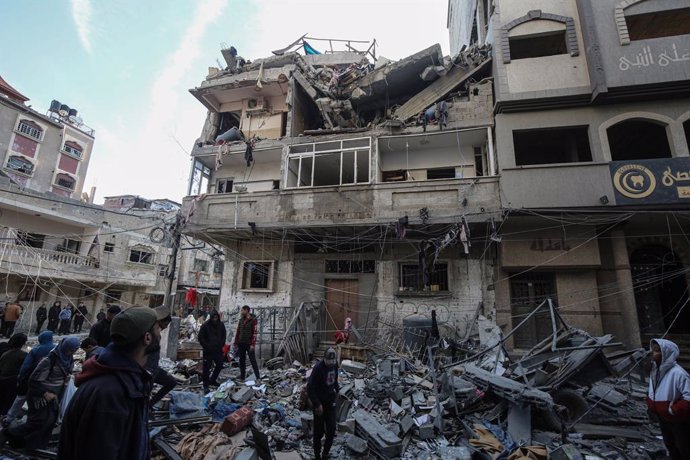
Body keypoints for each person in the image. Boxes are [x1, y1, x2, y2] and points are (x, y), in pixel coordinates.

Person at [57, 306, 161, 460]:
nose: (160, 333)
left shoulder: (123, 381)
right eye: (158, 328)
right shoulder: (111, 393)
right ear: (147, 337)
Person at [0, 336, 79, 450]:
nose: (72, 352)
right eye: (71, 349)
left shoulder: (68, 359)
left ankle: (35, 446)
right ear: (65, 347)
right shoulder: (49, 360)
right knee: (37, 422)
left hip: (54, 396)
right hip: (39, 396)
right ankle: (8, 433)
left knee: (49, 422)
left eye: (74, 350)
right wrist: (44, 393)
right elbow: (33, 380)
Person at [646, 338, 690, 460]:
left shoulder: (678, 373)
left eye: (656, 350)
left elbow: (688, 397)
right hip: (663, 418)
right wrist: (651, 405)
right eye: (652, 350)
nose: (651, 353)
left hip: (678, 420)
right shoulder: (655, 370)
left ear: (666, 353)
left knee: (684, 447)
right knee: (671, 446)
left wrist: (673, 410)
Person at [3, 331, 55, 427]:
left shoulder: (35, 350)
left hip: (31, 379)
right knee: (41, 401)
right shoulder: (56, 349)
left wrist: (21, 378)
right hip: (49, 381)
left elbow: (25, 367)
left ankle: (9, 418)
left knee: (20, 399)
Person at [307, 347, 339, 460]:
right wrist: (317, 404)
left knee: (331, 429)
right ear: (324, 359)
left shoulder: (335, 365)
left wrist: (337, 392)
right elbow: (310, 387)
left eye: (332, 362)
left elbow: (335, 380)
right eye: (328, 362)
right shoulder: (318, 368)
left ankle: (325, 453)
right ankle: (317, 455)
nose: (330, 364)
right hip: (320, 404)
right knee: (318, 431)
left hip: (330, 402)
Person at [145, 306, 177, 407]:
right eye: (165, 324)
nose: (166, 327)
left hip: (153, 368)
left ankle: (150, 404)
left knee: (171, 382)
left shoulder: (157, 334)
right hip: (146, 370)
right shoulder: (149, 333)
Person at [199, 309, 226, 392]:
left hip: (217, 350)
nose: (215, 319)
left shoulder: (221, 325)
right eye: (213, 317)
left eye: (216, 317)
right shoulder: (205, 325)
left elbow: (223, 336)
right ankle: (206, 385)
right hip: (208, 351)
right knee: (206, 368)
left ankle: (213, 380)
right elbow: (200, 337)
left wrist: (221, 344)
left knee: (220, 365)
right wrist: (206, 346)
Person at [0, 333, 28, 415]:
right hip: (11, 381)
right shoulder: (22, 355)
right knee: (8, 401)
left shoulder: (5, 351)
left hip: (3, 378)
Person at [233, 305, 260, 382]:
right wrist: (235, 342)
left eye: (242, 310)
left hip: (249, 344)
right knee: (242, 361)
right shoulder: (241, 320)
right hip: (241, 343)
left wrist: (252, 344)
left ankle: (258, 377)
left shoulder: (253, 320)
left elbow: (255, 333)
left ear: (247, 310)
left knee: (253, 360)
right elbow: (238, 332)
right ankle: (242, 377)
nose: (241, 312)